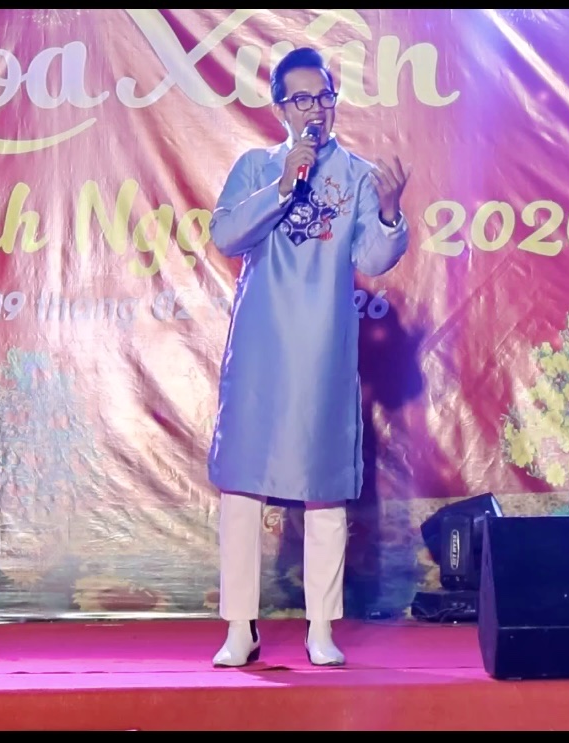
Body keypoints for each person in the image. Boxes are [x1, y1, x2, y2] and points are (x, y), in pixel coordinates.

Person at [206, 46, 412, 668]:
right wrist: (282, 185)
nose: (315, 109)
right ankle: (239, 628)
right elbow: (226, 235)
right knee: (242, 488)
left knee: (324, 489)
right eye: (301, 99)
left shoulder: (357, 176)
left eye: (323, 96)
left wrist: (389, 213)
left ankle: (321, 627)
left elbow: (373, 258)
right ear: (280, 109)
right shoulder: (255, 167)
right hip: (260, 353)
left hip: (322, 353)